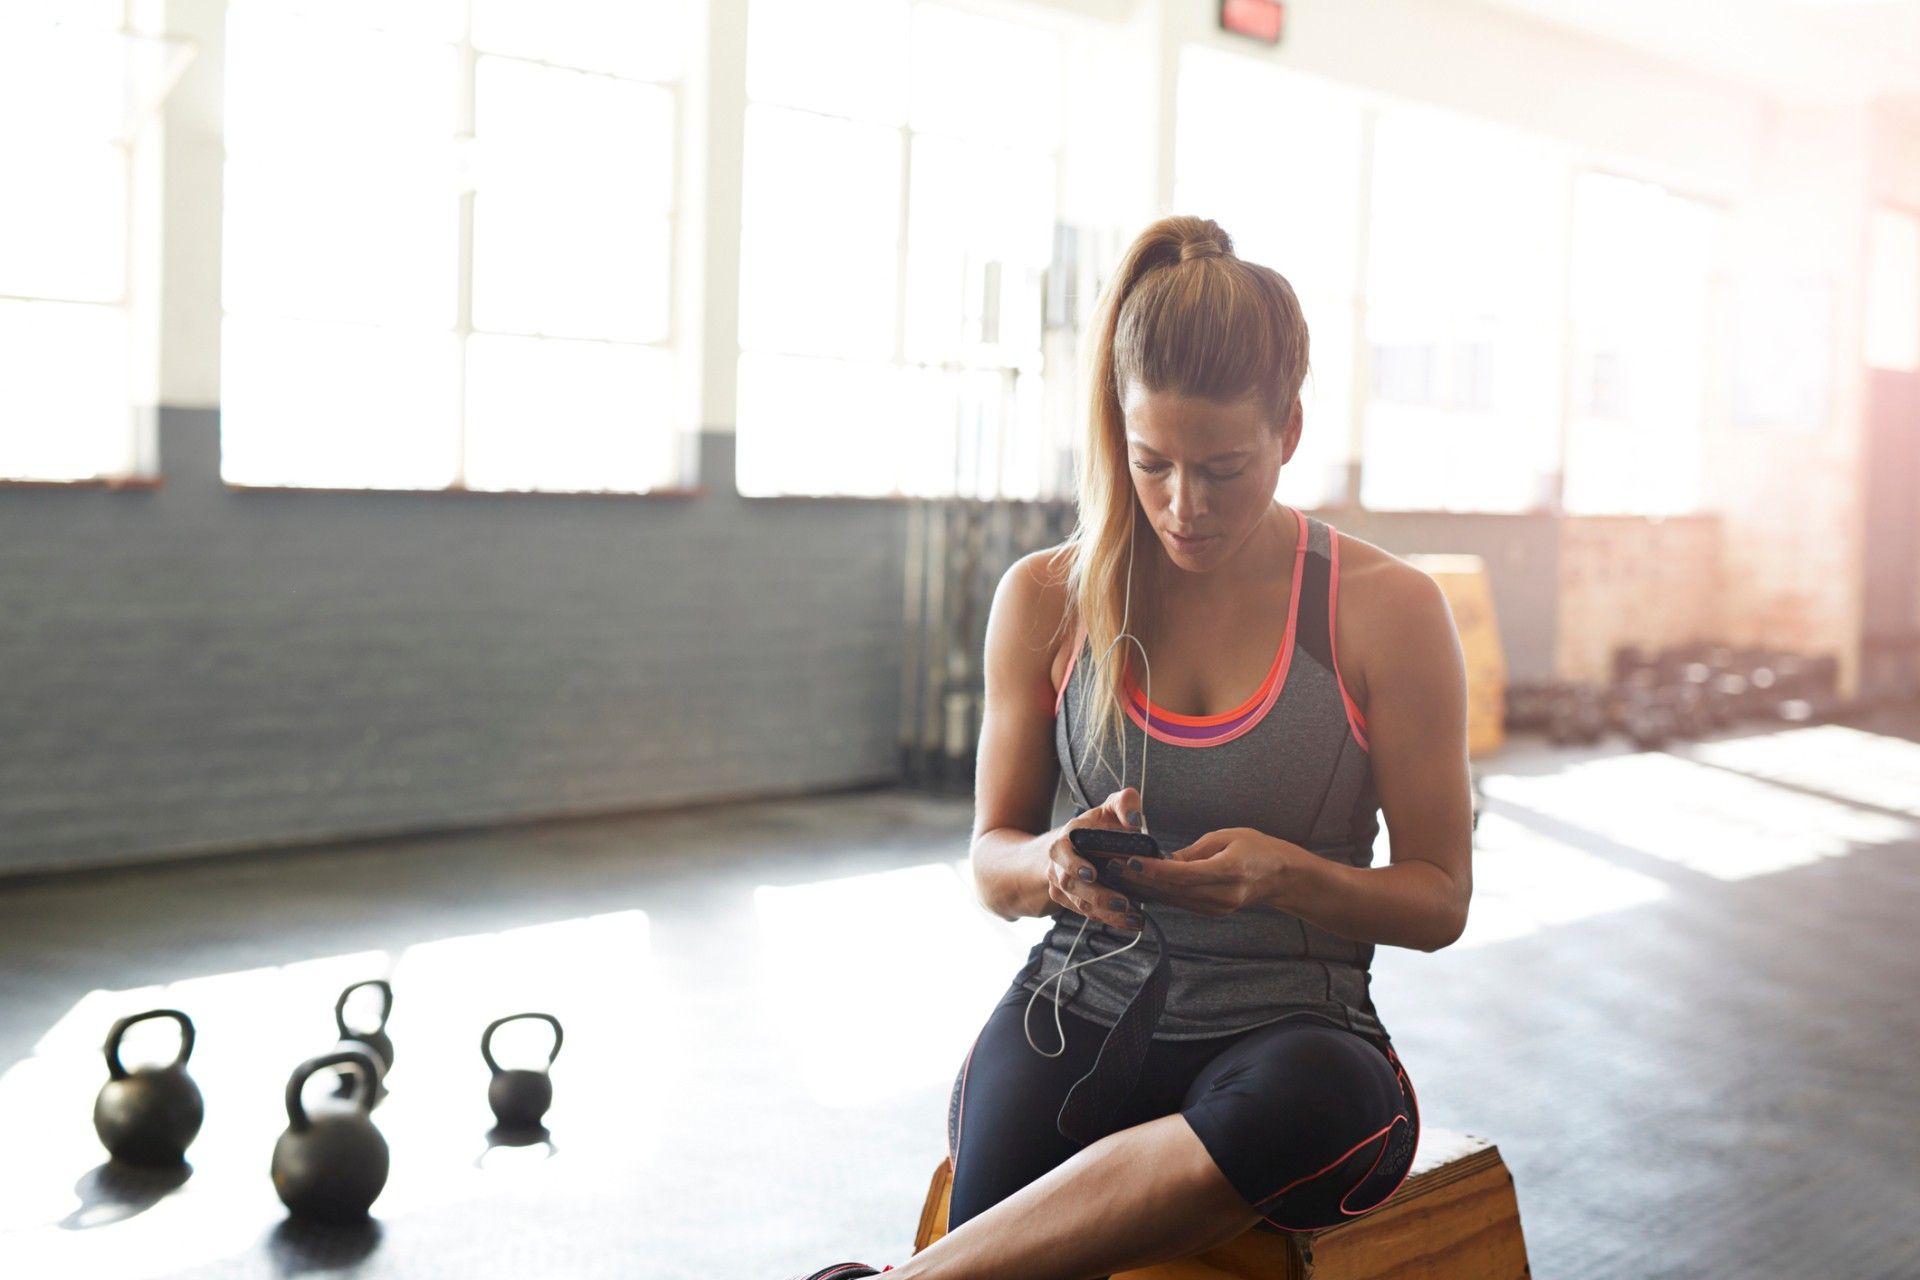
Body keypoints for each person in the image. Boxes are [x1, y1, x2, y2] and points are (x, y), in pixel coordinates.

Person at [787, 215, 1473, 1280]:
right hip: (1080, 1012)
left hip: (1293, 1035)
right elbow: (991, 859)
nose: (1182, 506)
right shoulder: (1047, 598)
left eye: (1224, 468)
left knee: (1321, 1104)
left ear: (1289, 429)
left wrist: (1285, 875)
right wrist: (1052, 861)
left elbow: (1440, 899)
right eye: (1152, 463)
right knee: (1003, 1136)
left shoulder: (1386, 610)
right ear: (1120, 429)